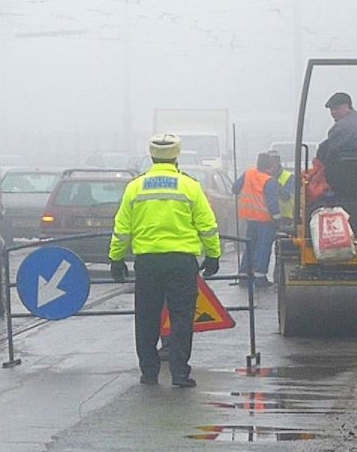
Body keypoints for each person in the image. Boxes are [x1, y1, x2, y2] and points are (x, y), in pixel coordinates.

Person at [109, 133, 222, 388]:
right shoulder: (189, 186)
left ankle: (149, 373)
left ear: (151, 156)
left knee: (147, 317)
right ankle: (180, 374)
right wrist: (213, 254)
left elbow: (122, 228)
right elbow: (207, 225)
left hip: (148, 262)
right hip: (182, 262)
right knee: (182, 318)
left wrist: (116, 258)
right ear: (177, 155)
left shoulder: (135, 187)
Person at [232, 152, 281, 286]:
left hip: (249, 218)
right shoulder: (269, 181)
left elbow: (235, 188)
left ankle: (243, 275)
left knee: (250, 246)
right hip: (265, 221)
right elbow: (272, 204)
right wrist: (278, 220)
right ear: (269, 167)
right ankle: (260, 278)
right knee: (263, 247)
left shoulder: (249, 173)